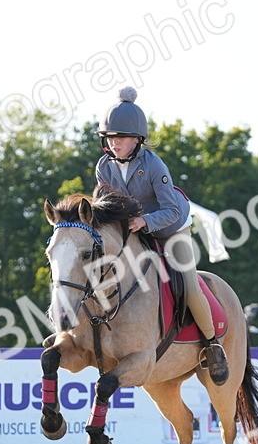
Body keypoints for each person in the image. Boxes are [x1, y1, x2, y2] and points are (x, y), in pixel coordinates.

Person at [94, 86, 229, 386]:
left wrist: (145, 221)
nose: (115, 143)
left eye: (121, 137)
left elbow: (171, 209)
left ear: (137, 139)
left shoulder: (153, 165)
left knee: (187, 285)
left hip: (171, 228)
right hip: (132, 232)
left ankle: (212, 345)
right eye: (110, 138)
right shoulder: (104, 167)